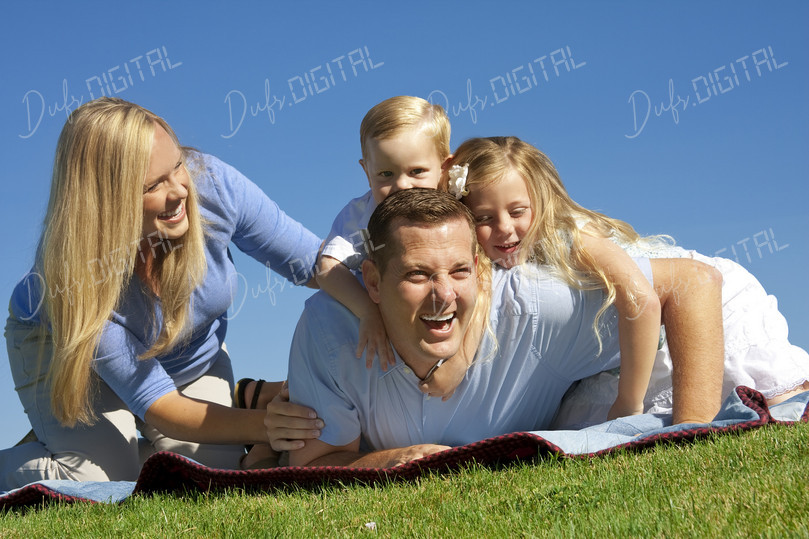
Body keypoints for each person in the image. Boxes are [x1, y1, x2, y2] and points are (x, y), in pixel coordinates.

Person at [278, 188, 734, 468]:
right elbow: (315, 463)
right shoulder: (328, 329)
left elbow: (694, 282)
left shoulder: (535, 306)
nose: (443, 295)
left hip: (724, 310)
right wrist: (389, 461)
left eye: (458, 272)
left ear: (479, 269)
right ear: (373, 282)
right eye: (418, 276)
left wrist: (692, 440)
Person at [0, 97, 321, 491]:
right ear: (107, 203)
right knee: (101, 481)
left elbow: (314, 263)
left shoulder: (213, 186)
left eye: (178, 166)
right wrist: (268, 425)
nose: (180, 191)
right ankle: (64, 452)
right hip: (68, 354)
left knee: (202, 479)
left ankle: (226, 405)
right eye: (152, 185)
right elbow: (161, 406)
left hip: (186, 357)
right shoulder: (76, 280)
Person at [442, 136, 809, 424]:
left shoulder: (572, 239)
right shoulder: (492, 270)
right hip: (632, 340)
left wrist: (628, 402)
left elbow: (643, 301)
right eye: (484, 217)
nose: (505, 228)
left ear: (543, 201)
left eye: (518, 211)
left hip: (702, 303)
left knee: (774, 399)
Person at [316, 95, 452, 370]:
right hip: (387, 323)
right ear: (367, 172)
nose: (402, 185)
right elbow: (327, 267)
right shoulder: (363, 216)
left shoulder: (456, 206)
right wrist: (368, 312)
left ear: (444, 167)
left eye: (417, 171)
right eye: (386, 174)